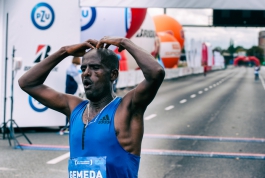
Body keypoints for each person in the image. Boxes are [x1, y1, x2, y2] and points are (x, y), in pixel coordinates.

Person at [18, 37, 165, 177]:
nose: (87, 73)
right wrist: (64, 51)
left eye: (95, 68)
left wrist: (124, 42)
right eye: (83, 69)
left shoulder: (126, 109)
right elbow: (27, 83)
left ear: (113, 75)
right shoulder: (74, 107)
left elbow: (156, 73)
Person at [59, 56, 82, 135]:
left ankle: (68, 125)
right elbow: (79, 81)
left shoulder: (71, 68)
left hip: (69, 90)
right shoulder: (73, 70)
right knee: (71, 108)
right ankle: (69, 126)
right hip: (72, 92)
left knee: (69, 108)